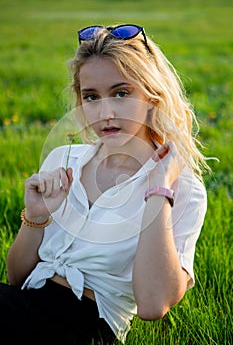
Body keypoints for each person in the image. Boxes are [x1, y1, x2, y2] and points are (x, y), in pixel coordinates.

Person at [0, 24, 211, 344]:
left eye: (121, 93)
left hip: (85, 327)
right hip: (22, 306)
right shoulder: (63, 160)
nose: (105, 111)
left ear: (152, 97)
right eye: (91, 97)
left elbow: (154, 304)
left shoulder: (184, 189)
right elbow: (16, 278)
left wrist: (158, 190)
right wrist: (36, 217)